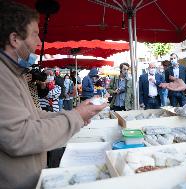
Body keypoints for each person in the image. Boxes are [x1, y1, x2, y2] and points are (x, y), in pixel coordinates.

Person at [0, 1, 107, 188]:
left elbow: (34, 116)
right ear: (15, 39)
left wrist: (76, 113)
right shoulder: (3, 75)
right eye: (35, 34)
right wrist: (75, 117)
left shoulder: (13, 72)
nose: (38, 42)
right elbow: (20, 136)